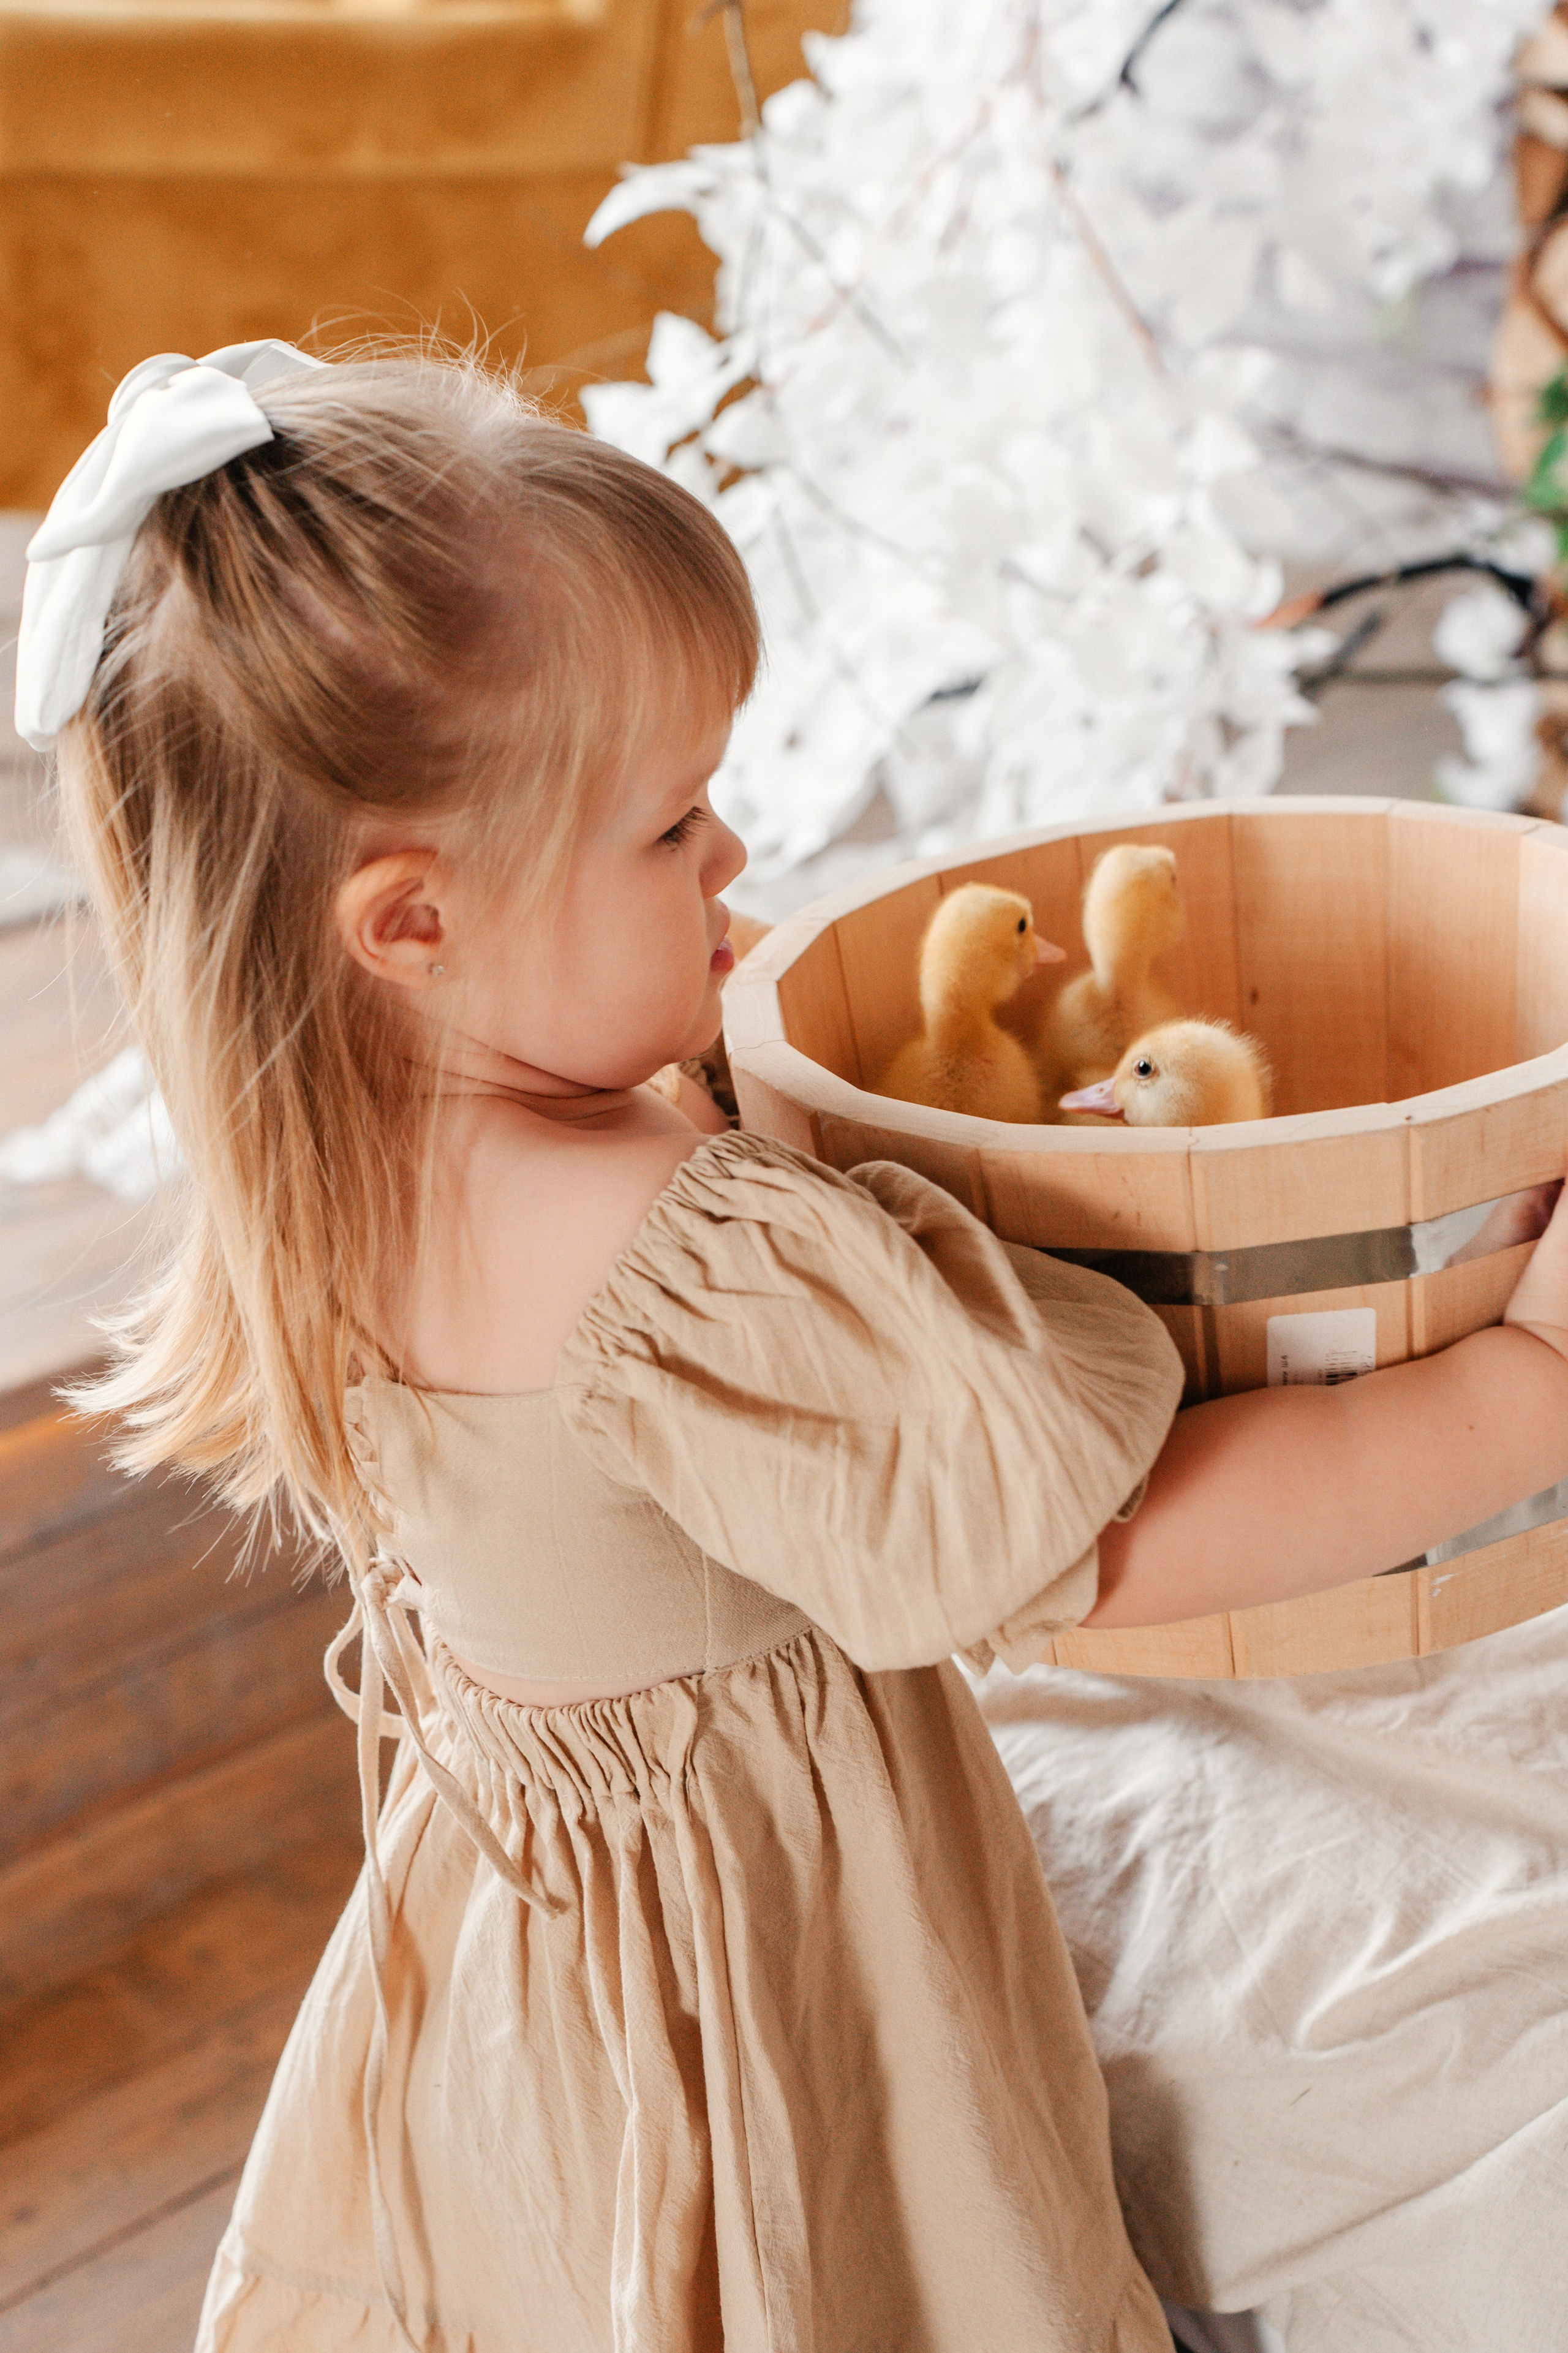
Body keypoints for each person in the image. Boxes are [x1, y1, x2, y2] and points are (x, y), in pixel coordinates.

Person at [23, 343, 1568, 2353]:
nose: (733, 859)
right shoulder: (646, 1244)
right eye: (672, 829)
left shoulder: (339, 1154)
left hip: (535, 1922)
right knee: (839, 2252)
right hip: (777, 1931)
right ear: (412, 925)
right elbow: (1118, 1543)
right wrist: (1519, 1375)